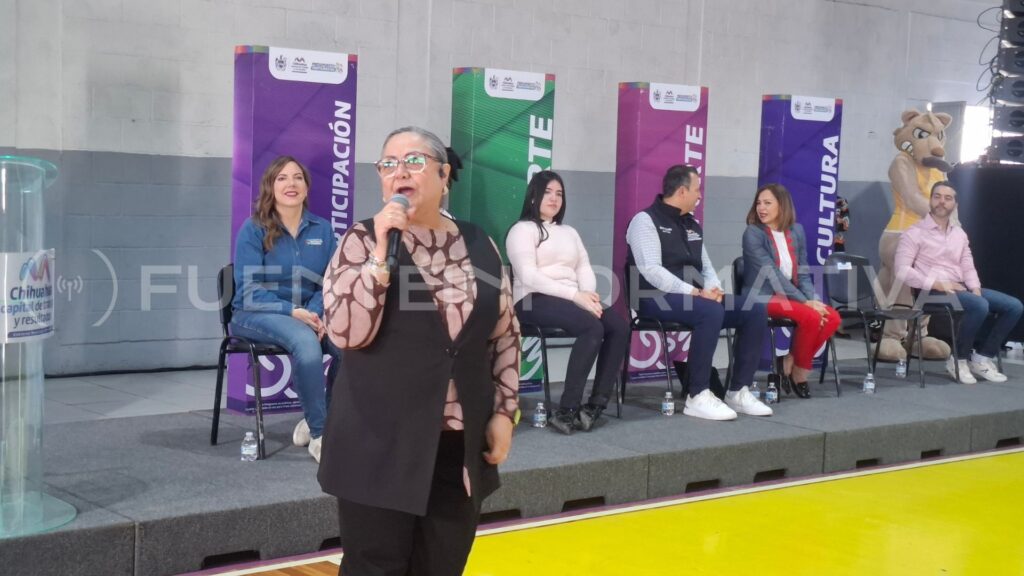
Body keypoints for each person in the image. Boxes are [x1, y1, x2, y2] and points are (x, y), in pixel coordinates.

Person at [319, 126, 520, 576]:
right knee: (374, 565)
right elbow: (346, 334)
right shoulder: (361, 240)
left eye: (413, 161)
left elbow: (505, 333)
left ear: (444, 175)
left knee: (443, 564)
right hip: (379, 437)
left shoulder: (480, 243)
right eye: (388, 164)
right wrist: (380, 254)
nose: (399, 172)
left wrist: (504, 413)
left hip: (456, 442)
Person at [626, 164, 772, 420]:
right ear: (682, 191)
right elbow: (651, 271)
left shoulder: (692, 224)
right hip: (652, 298)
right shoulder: (644, 221)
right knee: (710, 311)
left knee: (753, 309)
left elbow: (705, 266)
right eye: (697, 189)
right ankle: (697, 395)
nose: (700, 195)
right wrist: (695, 292)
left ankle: (738, 390)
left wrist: (713, 289)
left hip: (694, 298)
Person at [230, 155, 342, 462]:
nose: (291, 184)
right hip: (254, 314)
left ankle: (318, 416)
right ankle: (320, 434)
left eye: (297, 177)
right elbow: (248, 292)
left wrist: (314, 313)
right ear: (271, 186)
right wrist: (293, 312)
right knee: (306, 342)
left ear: (306, 187)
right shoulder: (253, 229)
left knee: (350, 345)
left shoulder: (322, 229)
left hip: (308, 315)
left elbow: (329, 282)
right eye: (282, 178)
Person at [506, 170, 629, 434]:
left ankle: (595, 405)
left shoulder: (569, 232)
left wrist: (588, 294)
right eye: (548, 192)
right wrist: (576, 296)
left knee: (619, 326)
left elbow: (583, 266)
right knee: (591, 327)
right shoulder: (522, 230)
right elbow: (528, 275)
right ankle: (567, 410)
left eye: (559, 194)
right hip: (531, 300)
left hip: (570, 298)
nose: (554, 198)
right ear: (533, 196)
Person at [895, 181, 1022, 384]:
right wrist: (938, 284)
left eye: (948, 198)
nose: (942, 202)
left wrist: (975, 288)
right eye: (937, 196)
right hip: (929, 292)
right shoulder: (914, 232)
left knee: (1013, 306)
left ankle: (981, 358)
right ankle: (958, 359)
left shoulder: (959, 234)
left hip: (958, 288)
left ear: (955, 204)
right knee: (979, 305)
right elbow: (902, 270)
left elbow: (967, 265)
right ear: (930, 200)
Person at [741, 183, 841, 398]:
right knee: (810, 316)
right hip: (761, 295)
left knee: (831, 317)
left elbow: (803, 273)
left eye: (767, 203)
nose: (761, 208)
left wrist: (812, 299)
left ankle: (790, 361)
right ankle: (800, 374)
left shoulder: (797, 231)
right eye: (759, 203)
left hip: (789, 294)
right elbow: (772, 275)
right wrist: (806, 302)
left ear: (782, 205)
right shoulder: (753, 233)